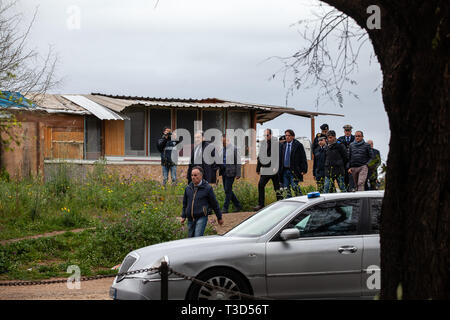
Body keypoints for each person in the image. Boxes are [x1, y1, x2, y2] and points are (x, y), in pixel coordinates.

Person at [181, 166, 223, 237]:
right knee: (190, 238)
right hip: (190, 218)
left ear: (201, 176)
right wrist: (183, 216)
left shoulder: (207, 188)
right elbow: (185, 203)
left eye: (195, 175)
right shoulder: (188, 188)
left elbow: (214, 203)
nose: (193, 177)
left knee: (197, 237)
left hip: (201, 217)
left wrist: (219, 217)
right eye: (192, 175)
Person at [254, 129, 282, 211]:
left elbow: (279, 156)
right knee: (260, 185)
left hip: (274, 170)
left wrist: (276, 167)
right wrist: (258, 168)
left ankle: (280, 203)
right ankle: (261, 204)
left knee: (277, 187)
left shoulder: (276, 143)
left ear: (271, 135)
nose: (265, 137)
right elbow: (260, 156)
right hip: (266, 169)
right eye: (264, 135)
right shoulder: (263, 143)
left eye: (267, 135)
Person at [279, 129, 308, 198]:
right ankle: (289, 204)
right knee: (286, 189)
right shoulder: (283, 145)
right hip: (284, 170)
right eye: (286, 135)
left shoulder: (298, 145)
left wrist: (304, 169)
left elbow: (303, 157)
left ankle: (301, 200)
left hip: (294, 170)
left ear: (293, 136)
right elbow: (280, 158)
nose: (287, 137)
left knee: (295, 187)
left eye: (289, 135)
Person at [218, 135, 242, 213]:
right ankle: (238, 205)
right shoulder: (222, 149)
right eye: (222, 141)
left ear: (228, 140)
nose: (222, 143)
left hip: (231, 172)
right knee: (227, 190)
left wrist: (238, 173)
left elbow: (238, 161)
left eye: (224, 141)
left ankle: (225, 208)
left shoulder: (234, 149)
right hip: (223, 171)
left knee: (228, 189)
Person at [338, 124, 356, 191]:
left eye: (349, 130)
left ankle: (351, 190)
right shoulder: (340, 139)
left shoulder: (355, 138)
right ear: (344, 131)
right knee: (344, 178)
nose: (347, 132)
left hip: (352, 160)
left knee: (352, 178)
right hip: (343, 161)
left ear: (351, 131)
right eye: (346, 131)